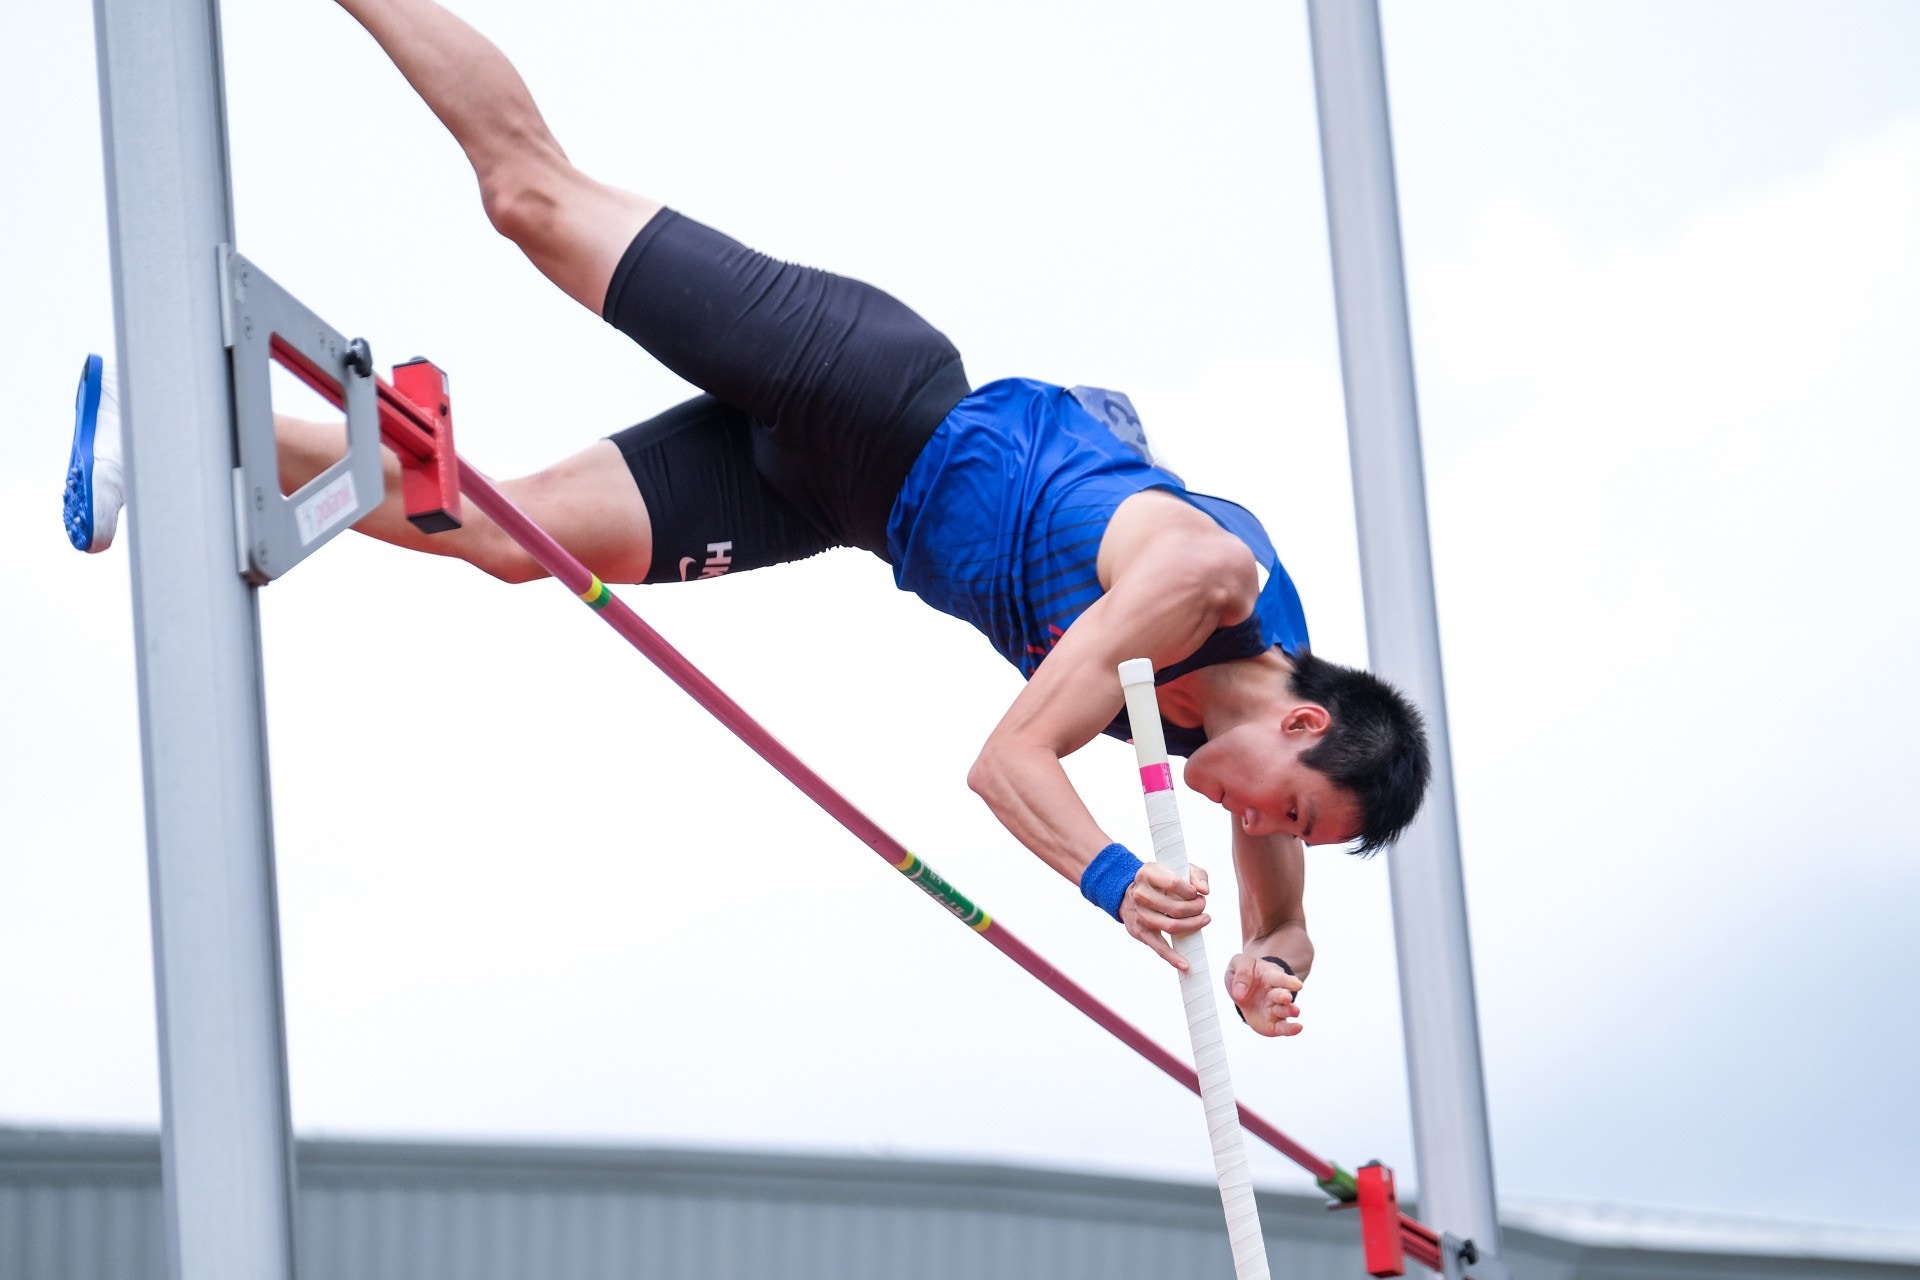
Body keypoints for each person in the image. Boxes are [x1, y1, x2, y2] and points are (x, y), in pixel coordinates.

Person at [64, 0, 1429, 1038]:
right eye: (1288, 810)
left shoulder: (1250, 740)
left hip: (836, 504)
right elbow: (1010, 760)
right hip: (868, 390)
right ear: (1304, 721)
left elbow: (1282, 916)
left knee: (511, 539)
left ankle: (167, 410)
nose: (1261, 829)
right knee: (529, 198)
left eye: (1289, 833)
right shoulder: (1198, 582)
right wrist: (1115, 881)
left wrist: (1274, 962)